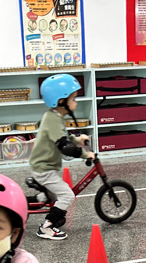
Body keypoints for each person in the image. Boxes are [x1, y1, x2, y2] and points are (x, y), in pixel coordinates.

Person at [28, 74, 93, 240]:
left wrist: (77, 140)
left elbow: (62, 138)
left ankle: (26, 203)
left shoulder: (54, 117)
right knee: (67, 196)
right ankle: (46, 228)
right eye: (73, 99)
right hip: (44, 169)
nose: (76, 103)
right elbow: (65, 147)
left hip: (43, 166)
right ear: (61, 101)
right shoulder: (53, 120)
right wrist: (85, 154)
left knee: (52, 196)